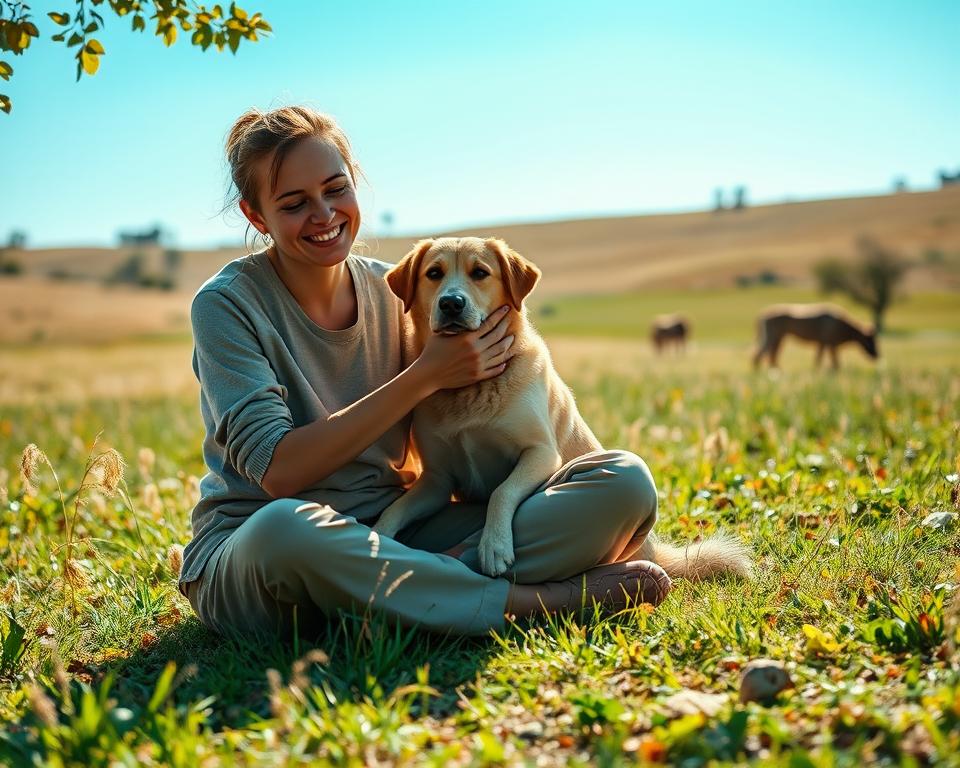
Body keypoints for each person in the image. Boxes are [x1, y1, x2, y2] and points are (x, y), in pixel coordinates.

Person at [178, 105, 671, 639]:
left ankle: (409, 597)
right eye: (295, 204)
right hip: (265, 550)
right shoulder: (227, 305)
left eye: (336, 189)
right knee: (286, 527)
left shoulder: (403, 288)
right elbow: (278, 473)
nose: (323, 214)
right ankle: (539, 601)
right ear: (256, 217)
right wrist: (425, 375)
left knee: (623, 482)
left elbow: (499, 354)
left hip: (394, 533)